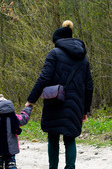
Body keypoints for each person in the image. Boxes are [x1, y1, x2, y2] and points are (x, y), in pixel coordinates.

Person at [25, 20, 94, 169]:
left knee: (53, 137)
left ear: (57, 40)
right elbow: (89, 86)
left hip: (55, 102)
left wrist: (31, 100)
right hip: (75, 104)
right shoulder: (83, 58)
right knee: (70, 139)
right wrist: (85, 110)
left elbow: (44, 78)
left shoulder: (54, 53)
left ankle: (53, 167)